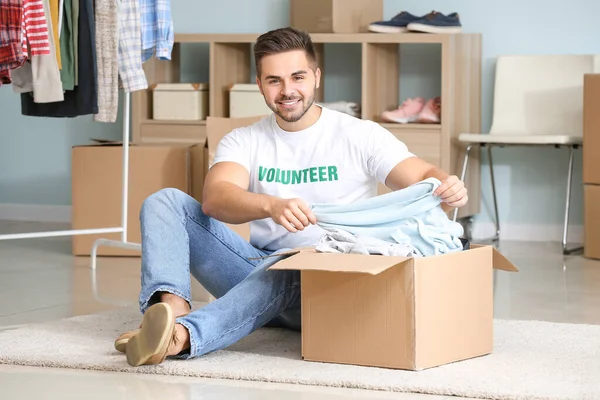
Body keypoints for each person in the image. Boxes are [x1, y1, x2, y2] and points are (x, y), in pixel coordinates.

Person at [116, 26, 469, 367]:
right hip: (255, 270)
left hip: (327, 283)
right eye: (274, 80)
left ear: (316, 77)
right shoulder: (245, 139)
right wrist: (270, 204)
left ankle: (183, 337)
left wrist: (444, 183)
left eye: (297, 77)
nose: (287, 90)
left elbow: (421, 175)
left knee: (290, 265)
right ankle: (169, 314)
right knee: (166, 201)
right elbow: (216, 197)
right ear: (259, 85)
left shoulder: (359, 135)